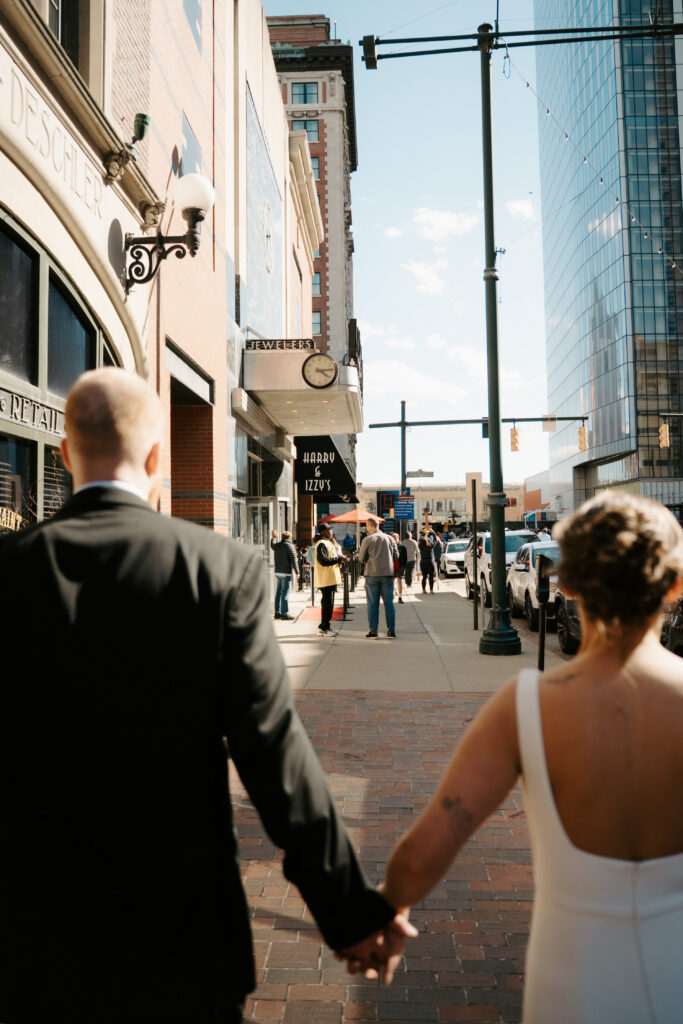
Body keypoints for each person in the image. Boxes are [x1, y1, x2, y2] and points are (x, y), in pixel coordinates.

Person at [0, 369, 415, 1021]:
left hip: (32, 933)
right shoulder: (219, 569)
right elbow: (274, 755)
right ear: (159, 456)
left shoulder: (10, 569)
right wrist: (348, 912)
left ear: (63, 453)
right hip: (183, 928)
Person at [379, 492, 683, 1022]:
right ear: (676, 586)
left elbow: (424, 852)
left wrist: (384, 912)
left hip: (570, 988)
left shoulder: (526, 707)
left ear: (564, 582)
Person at [359, 516, 398, 638]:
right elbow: (396, 555)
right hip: (387, 574)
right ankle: (391, 630)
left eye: (366, 525)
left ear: (371, 525)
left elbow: (361, 558)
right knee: (389, 603)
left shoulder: (367, 539)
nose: (366, 527)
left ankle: (373, 631)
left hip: (372, 574)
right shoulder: (390, 538)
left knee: (372, 604)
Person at [315, 522, 344, 637]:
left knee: (328, 603)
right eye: (329, 530)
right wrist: (338, 559)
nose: (331, 531)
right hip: (326, 579)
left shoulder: (327, 543)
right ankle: (324, 627)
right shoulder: (322, 543)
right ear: (323, 532)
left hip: (329, 578)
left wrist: (339, 559)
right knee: (327, 604)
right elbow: (324, 560)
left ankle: (325, 626)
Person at [270, 528, 299, 620]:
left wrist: (274, 537)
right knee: (285, 593)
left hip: (278, 572)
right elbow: (294, 560)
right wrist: (297, 571)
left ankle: (277, 612)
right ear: (289, 537)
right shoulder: (290, 546)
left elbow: (272, 545)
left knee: (278, 592)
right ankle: (284, 613)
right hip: (286, 572)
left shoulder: (277, 545)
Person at [393, 531, 407, 603]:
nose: (394, 539)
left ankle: (400, 596)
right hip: (391, 566)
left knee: (399, 581)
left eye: (395, 538)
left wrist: (404, 567)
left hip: (400, 566)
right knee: (391, 582)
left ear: (398, 539)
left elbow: (405, 558)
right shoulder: (389, 547)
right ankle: (394, 591)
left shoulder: (402, 547)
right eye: (393, 538)